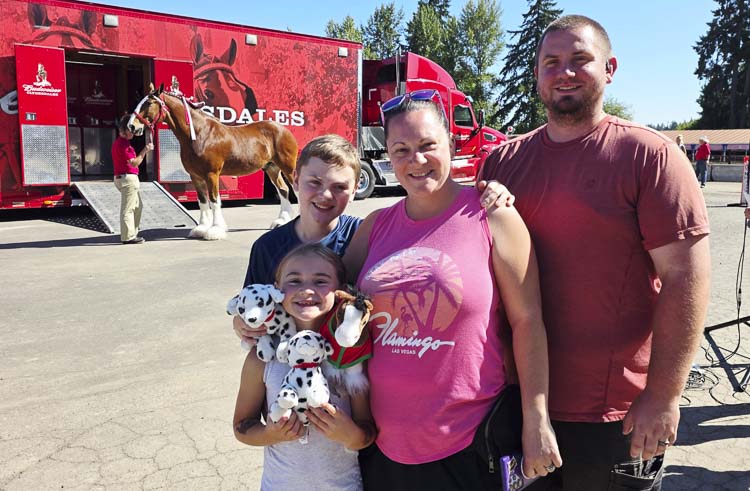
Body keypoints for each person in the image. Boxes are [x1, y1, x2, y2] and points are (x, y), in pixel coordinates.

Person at [480, 15, 711, 491]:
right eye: (551, 62)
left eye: (579, 60)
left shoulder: (650, 156)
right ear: (537, 74)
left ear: (609, 68)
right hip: (521, 403)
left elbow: (686, 279)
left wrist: (664, 395)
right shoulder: (503, 161)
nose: (564, 71)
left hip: (615, 415)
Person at [342, 90, 561, 490]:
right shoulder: (374, 227)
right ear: (387, 155)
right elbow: (329, 303)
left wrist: (537, 419)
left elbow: (529, 321)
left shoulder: (492, 216)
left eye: (428, 145)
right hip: (383, 446)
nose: (416, 160)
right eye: (401, 149)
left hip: (470, 445)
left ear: (451, 142)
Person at [233, 134, 514, 344]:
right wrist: (240, 323)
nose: (325, 195)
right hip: (288, 374)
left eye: (339, 187)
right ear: (295, 180)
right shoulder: (267, 248)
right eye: (314, 183)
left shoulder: (369, 234)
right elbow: (250, 306)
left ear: (356, 189)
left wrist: (488, 191)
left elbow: (425, 216)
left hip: (351, 377)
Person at [233, 243, 376, 490]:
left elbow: (367, 431)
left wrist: (350, 434)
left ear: (340, 292)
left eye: (321, 281)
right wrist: (270, 434)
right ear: (276, 291)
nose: (307, 290)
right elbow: (241, 425)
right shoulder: (262, 358)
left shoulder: (351, 359)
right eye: (294, 280)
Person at [112, 115, 153, 244]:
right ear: (124, 130)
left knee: (138, 206)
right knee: (128, 209)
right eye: (131, 129)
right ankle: (128, 237)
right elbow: (134, 163)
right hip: (128, 178)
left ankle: (132, 232)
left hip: (123, 177)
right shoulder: (124, 145)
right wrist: (145, 150)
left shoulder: (119, 143)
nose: (134, 133)